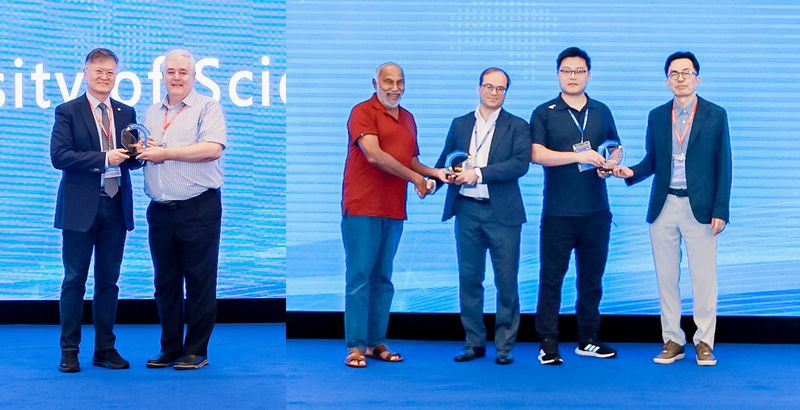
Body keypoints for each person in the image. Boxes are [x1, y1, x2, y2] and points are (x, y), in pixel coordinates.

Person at [613, 51, 731, 366]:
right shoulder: (656, 116)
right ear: (667, 81)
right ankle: (673, 340)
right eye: (674, 74)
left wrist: (721, 209)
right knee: (666, 278)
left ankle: (704, 342)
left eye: (686, 72)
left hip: (701, 208)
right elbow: (653, 161)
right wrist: (630, 172)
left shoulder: (716, 115)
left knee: (704, 278)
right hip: (664, 205)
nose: (680, 79)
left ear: (697, 79)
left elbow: (724, 164)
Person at [341, 62, 447, 368]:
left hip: (394, 207)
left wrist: (434, 173)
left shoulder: (408, 118)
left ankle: (376, 342)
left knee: (383, 278)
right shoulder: (362, 111)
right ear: (375, 83)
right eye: (388, 81)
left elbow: (410, 160)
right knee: (360, 276)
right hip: (362, 206)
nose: (395, 88)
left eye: (400, 82)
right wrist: (416, 180)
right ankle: (355, 346)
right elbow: (374, 155)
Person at [530, 47, 621, 365]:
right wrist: (579, 156)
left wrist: (610, 162)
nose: (573, 76)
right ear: (558, 74)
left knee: (592, 279)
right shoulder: (545, 112)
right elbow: (536, 154)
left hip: (596, 211)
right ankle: (548, 342)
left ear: (589, 75)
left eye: (579, 71)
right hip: (559, 211)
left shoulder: (601, 110)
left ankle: (589, 339)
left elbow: (615, 146)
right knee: (551, 279)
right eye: (567, 71)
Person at [137, 49, 227, 370]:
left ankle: (196, 350)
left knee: (200, 281)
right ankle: (170, 348)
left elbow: (212, 149)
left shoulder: (208, 107)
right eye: (171, 72)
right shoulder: (150, 113)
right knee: (165, 283)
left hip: (198, 207)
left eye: (182, 72)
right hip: (160, 210)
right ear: (162, 75)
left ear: (193, 76)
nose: (176, 77)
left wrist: (165, 153)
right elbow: (145, 153)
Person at [434, 67, 530, 365]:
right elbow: (446, 160)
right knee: (469, 279)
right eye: (489, 86)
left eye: (500, 88)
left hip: (503, 214)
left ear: (506, 93)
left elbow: (520, 164)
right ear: (478, 88)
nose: (493, 92)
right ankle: (473, 343)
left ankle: (504, 347)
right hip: (467, 211)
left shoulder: (518, 125)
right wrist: (431, 182)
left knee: (506, 281)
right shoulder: (460, 123)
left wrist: (479, 174)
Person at [50, 48, 138, 373]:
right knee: (74, 280)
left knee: (109, 282)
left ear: (116, 76)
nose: (104, 77)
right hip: (80, 208)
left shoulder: (126, 111)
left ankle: (104, 349)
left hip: (116, 206)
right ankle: (69, 351)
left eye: (110, 72)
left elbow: (131, 161)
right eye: (98, 70)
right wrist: (103, 159)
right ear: (85, 72)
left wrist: (141, 153)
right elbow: (59, 156)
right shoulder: (68, 111)